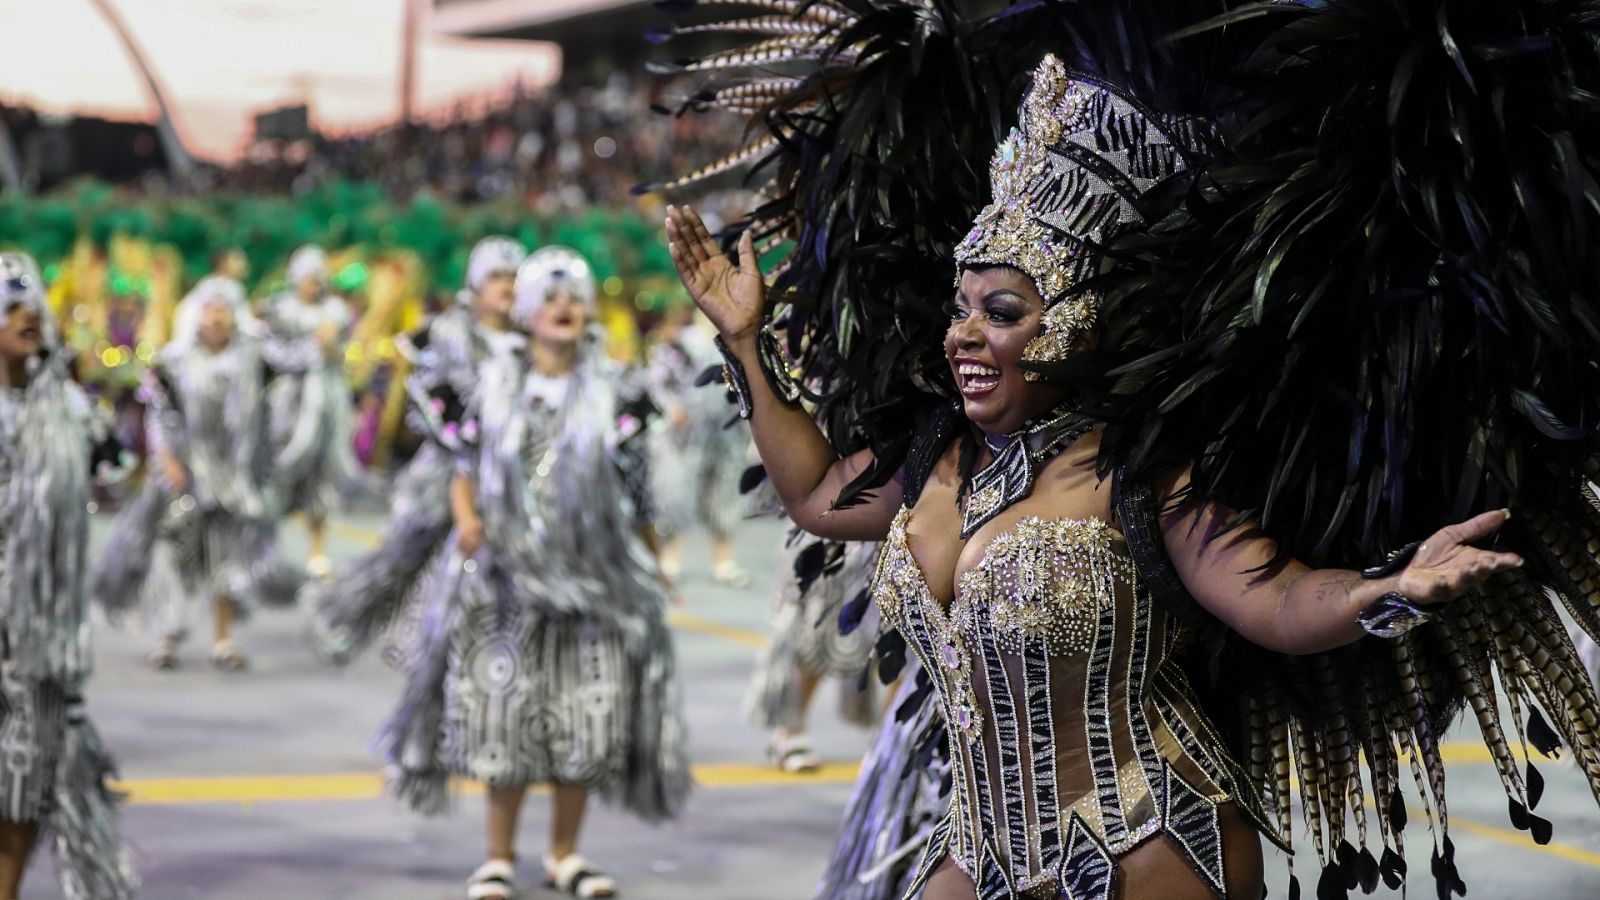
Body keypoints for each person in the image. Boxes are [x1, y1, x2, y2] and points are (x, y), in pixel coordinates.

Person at [657, 1, 1600, 894]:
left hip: (1149, 839)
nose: (964, 335)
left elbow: (1271, 598)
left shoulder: (1136, 470)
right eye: (959, 308)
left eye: (1002, 312)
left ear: (1076, 327)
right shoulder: (935, 455)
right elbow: (817, 494)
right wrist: (744, 344)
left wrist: (1387, 590)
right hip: (973, 845)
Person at [377, 246, 689, 899]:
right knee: (506, 713)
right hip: (506, 582)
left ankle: (565, 855)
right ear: (524, 313)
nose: (564, 308)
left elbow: (635, 492)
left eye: (574, 297)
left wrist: (655, 559)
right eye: (549, 298)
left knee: (586, 716)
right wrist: (467, 524)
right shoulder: (487, 388)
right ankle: (497, 856)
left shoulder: (618, 393)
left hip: (593, 582)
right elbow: (463, 467)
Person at [304, 235, 529, 666]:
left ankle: (446, 644)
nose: (508, 286)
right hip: (443, 475)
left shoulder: (530, 341)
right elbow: (424, 401)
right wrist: (466, 442)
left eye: (515, 277)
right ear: (476, 285)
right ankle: (346, 619)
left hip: (507, 479)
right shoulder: (441, 334)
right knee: (402, 557)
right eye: (497, 276)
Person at [0, 252, 136, 900]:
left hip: (37, 644)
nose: (27, 316)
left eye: (32, 306)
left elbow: (114, 466)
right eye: (10, 306)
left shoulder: (68, 412)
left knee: (24, 784)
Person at [94, 275, 302, 670]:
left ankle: (222, 640)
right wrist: (166, 459)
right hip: (185, 476)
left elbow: (294, 369)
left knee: (226, 558)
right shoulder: (174, 363)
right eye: (210, 310)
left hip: (232, 480)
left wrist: (281, 323)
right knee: (173, 554)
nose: (217, 319)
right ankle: (167, 636)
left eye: (224, 310)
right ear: (198, 315)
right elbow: (158, 416)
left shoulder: (254, 360)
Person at [745, 526, 880, 772]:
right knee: (813, 631)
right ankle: (789, 730)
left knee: (891, 638)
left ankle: (889, 736)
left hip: (889, 534)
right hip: (826, 527)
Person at [261, 244, 359, 577]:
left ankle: (318, 552)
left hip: (326, 406)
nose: (314, 284)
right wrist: (311, 349)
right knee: (279, 474)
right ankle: (266, 548)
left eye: (319, 278)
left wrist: (331, 348)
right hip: (289, 406)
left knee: (322, 478)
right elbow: (272, 355)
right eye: (308, 278)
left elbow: (343, 358)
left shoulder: (335, 311)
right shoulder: (280, 310)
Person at [646, 305, 752, 585]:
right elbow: (657, 382)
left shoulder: (739, 345)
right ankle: (671, 558)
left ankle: (723, 561)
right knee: (677, 495)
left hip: (727, 436)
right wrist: (672, 410)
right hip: (686, 438)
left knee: (725, 494)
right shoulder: (680, 345)